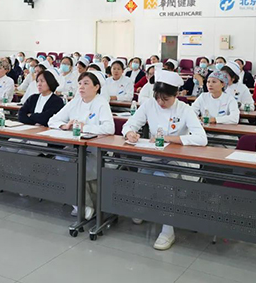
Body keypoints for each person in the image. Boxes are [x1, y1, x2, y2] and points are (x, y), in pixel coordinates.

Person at [122, 70, 207, 251]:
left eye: (165, 99)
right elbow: (130, 124)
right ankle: (143, 207)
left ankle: (168, 229)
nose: (160, 103)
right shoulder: (149, 104)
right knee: (143, 175)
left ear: (176, 95)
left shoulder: (185, 109)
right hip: (154, 157)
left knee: (161, 178)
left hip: (178, 161)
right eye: (158, 98)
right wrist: (130, 133)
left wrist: (170, 138)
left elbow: (201, 138)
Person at [48, 71, 114, 220]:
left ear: (96, 87)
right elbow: (52, 120)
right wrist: (65, 126)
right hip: (74, 149)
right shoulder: (75, 102)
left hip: (95, 152)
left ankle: (85, 205)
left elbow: (109, 128)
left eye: (86, 83)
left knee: (76, 168)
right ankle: (81, 204)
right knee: (60, 161)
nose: (81, 87)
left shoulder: (101, 103)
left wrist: (85, 127)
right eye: (79, 83)